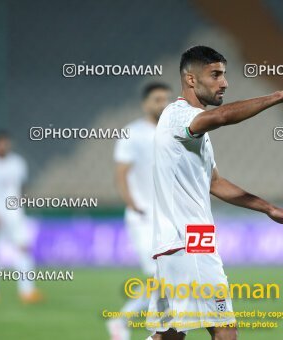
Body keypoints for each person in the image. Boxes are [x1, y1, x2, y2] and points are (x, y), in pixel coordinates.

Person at [146, 45, 283, 340]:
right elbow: (224, 116)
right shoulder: (179, 116)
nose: (224, 83)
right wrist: (279, 96)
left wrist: (267, 208)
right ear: (190, 79)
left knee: (169, 335)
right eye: (215, 75)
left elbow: (214, 183)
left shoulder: (192, 128)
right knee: (226, 333)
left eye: (224, 75)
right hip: (192, 243)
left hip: (174, 245)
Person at [108, 83, 172, 340]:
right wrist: (131, 201)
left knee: (167, 275)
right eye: (157, 99)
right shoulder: (132, 133)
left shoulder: (172, 132)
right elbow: (121, 171)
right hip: (143, 217)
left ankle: (125, 322)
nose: (162, 104)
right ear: (145, 103)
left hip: (168, 217)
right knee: (158, 274)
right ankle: (156, 330)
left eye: (166, 99)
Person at [0, 130, 42, 304]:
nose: (2, 145)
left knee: (23, 248)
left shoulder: (18, 163)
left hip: (14, 214)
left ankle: (27, 291)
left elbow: (21, 188)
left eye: (5, 142)